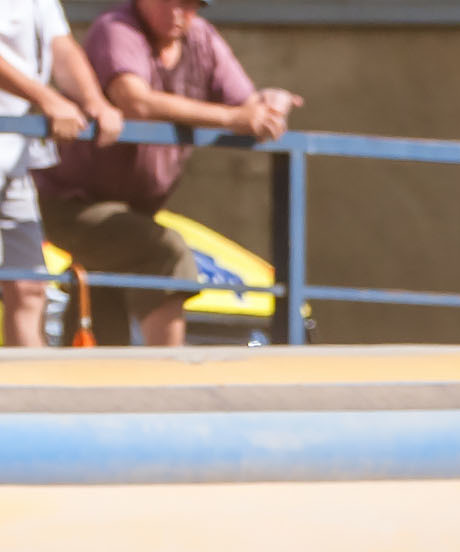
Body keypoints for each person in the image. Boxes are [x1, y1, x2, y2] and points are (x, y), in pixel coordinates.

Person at [37, 0, 299, 347]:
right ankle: (169, 377)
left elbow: (247, 106)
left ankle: (95, 382)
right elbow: (136, 101)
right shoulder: (118, 28)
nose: (179, 13)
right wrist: (232, 118)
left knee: (103, 301)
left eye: (190, 5)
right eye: (170, 3)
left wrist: (269, 103)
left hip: (133, 210)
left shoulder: (202, 38)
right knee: (166, 252)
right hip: (70, 201)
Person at [0, 0, 119, 346]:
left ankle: (28, 397)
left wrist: (94, 100)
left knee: (29, 288)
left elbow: (61, 45)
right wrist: (47, 99)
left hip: (15, 157)